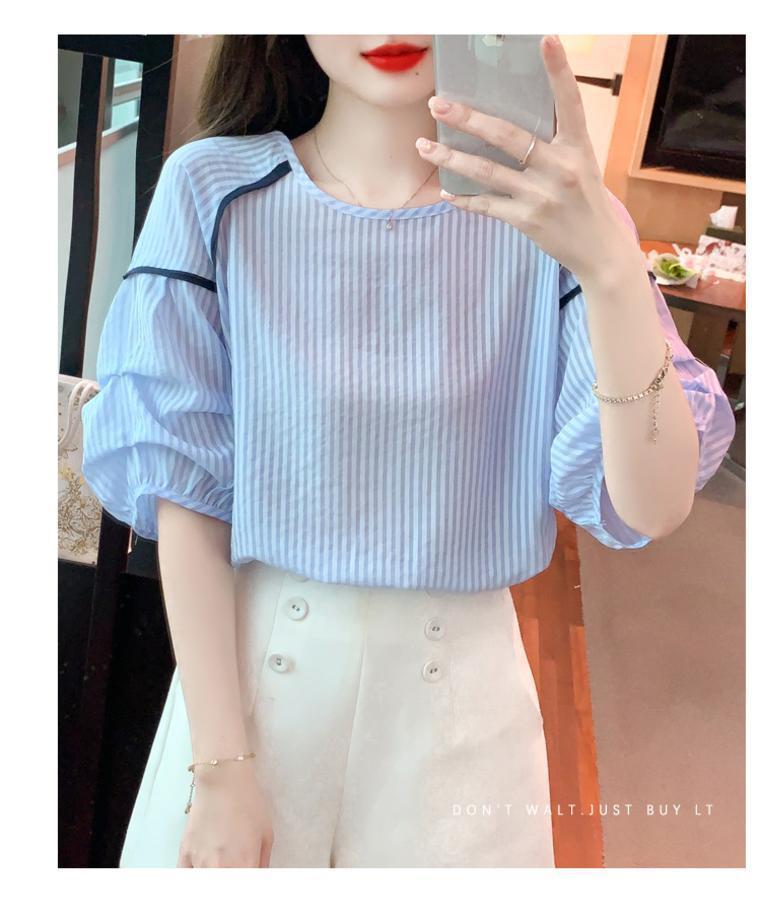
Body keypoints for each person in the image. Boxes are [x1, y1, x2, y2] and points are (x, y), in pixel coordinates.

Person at [80, 35, 736, 868]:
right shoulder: (212, 190)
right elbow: (189, 497)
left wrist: (608, 267)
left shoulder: (555, 220)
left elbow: (654, 505)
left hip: (463, 708)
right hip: (249, 696)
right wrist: (221, 770)